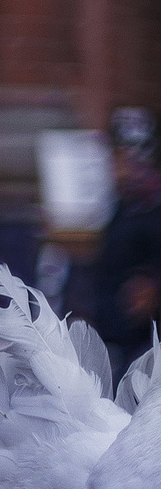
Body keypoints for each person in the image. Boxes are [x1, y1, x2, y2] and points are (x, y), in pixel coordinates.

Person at [89, 106, 161, 379]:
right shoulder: (123, 203)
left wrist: (153, 285)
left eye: (120, 155)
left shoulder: (151, 204)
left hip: (145, 342)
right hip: (117, 334)